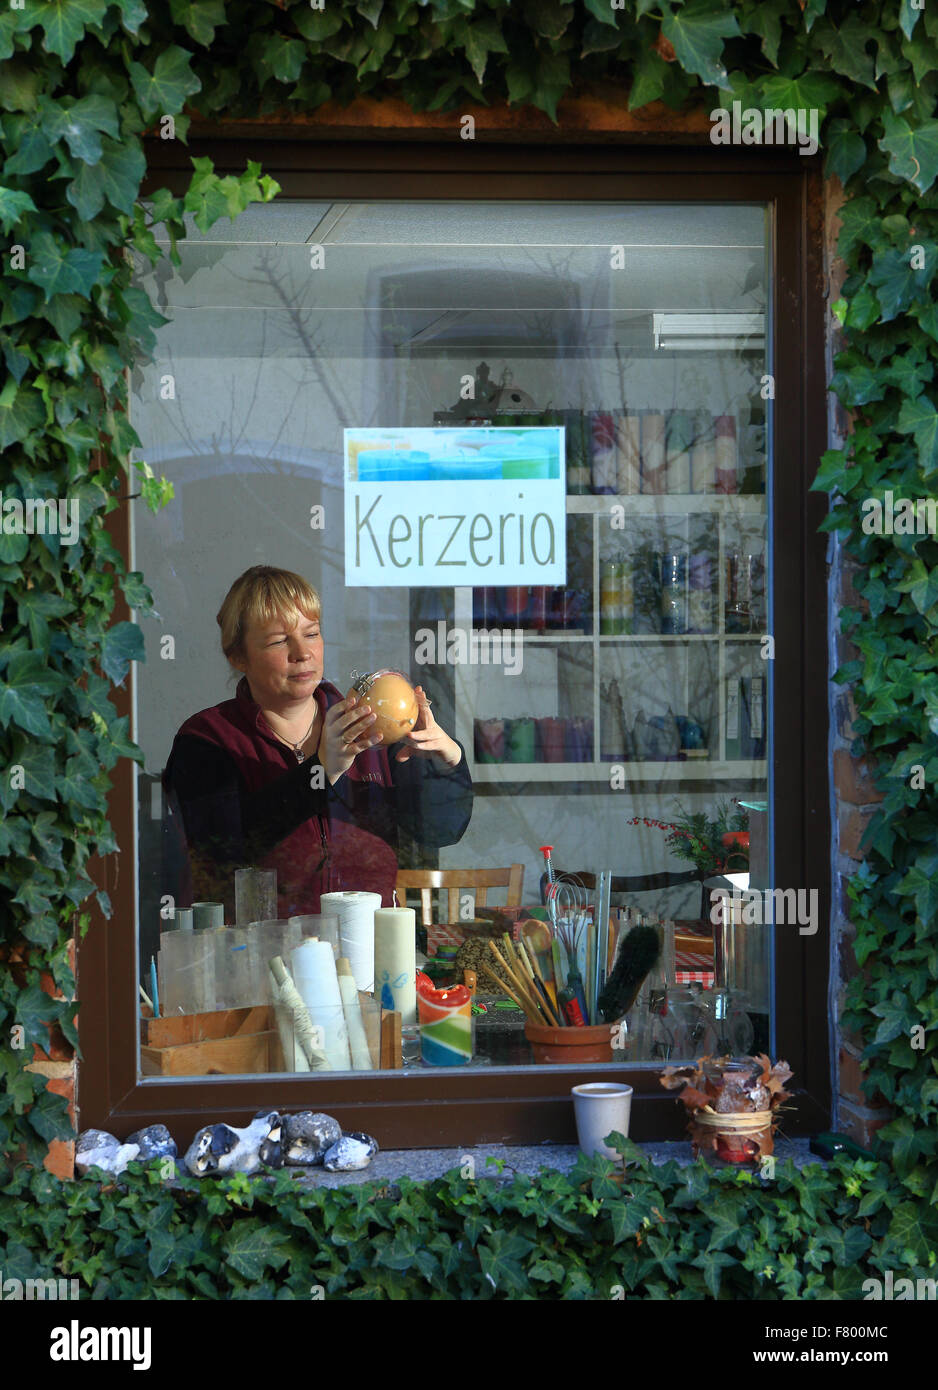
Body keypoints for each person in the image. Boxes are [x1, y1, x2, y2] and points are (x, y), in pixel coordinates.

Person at [163, 565, 473, 918]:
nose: (302, 652)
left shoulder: (371, 726)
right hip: (261, 955)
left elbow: (439, 830)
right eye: (279, 641)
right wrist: (320, 772)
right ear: (238, 656)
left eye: (311, 634)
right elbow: (221, 850)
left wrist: (446, 764)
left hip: (367, 949)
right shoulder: (208, 739)